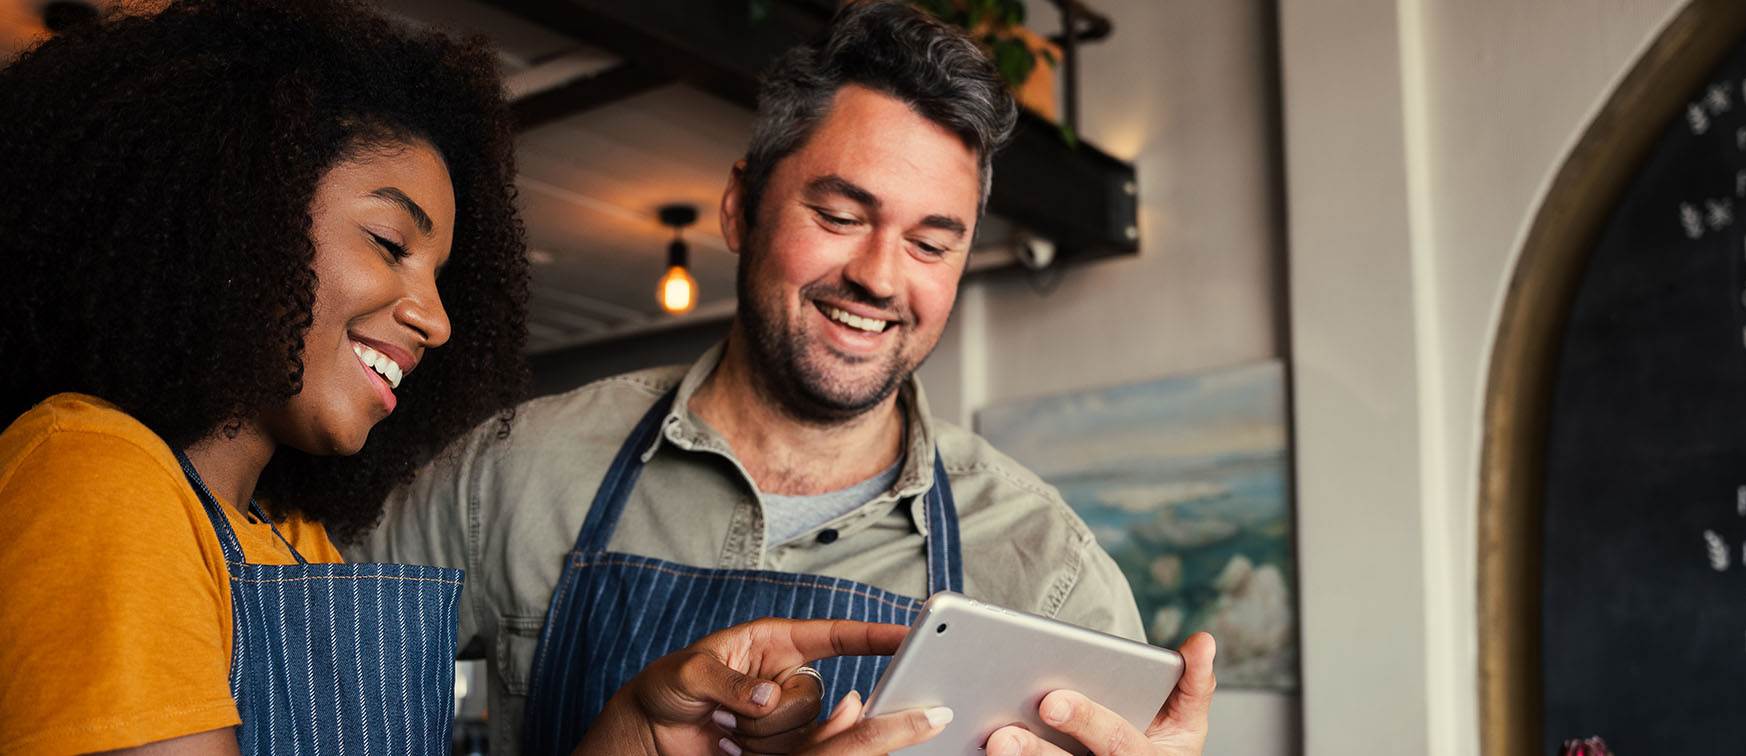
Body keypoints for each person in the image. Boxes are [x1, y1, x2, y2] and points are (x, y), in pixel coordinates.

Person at [0, 2, 936, 755]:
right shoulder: (95, 475)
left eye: (441, 276)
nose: (437, 320)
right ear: (226, 210)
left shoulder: (289, 540)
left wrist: (632, 739)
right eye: (389, 243)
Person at [351, 2, 1215, 756]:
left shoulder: (1047, 570)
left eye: (930, 242)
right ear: (740, 205)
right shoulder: (511, 474)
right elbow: (305, 710)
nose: (879, 275)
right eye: (840, 216)